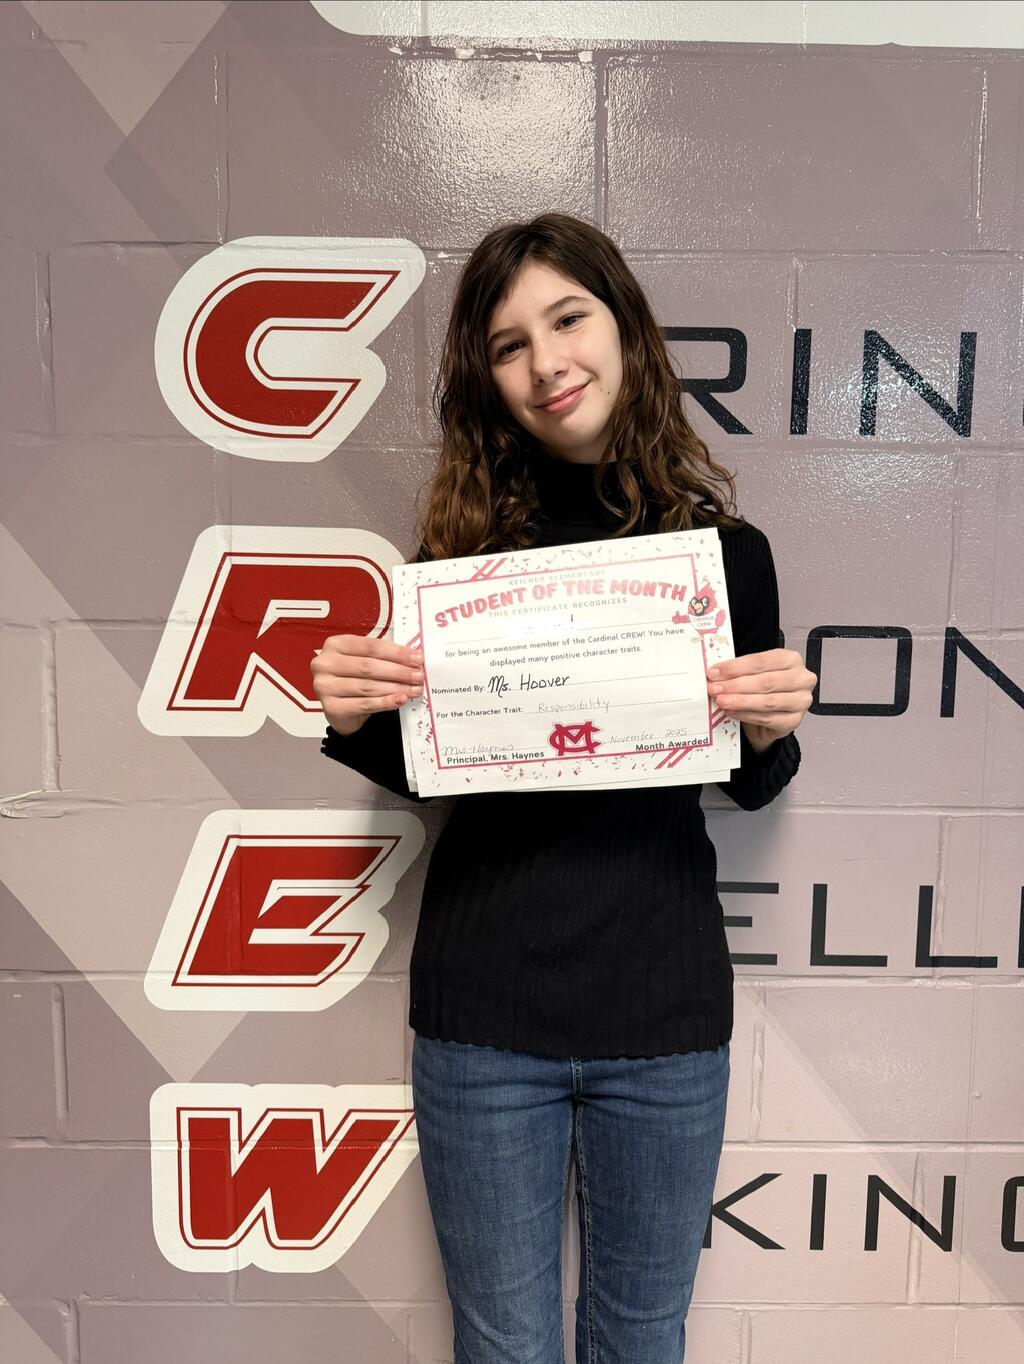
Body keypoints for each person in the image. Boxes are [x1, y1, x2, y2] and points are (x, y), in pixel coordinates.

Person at [312, 213, 816, 1364]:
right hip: (484, 1022)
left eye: (567, 318)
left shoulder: (724, 557)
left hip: (662, 1019)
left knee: (641, 1338)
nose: (546, 362)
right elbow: (433, 771)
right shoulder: (457, 562)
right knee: (503, 1345)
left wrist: (769, 727)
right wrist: (353, 717)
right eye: (508, 345)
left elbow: (749, 784)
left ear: (622, 326)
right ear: (487, 381)